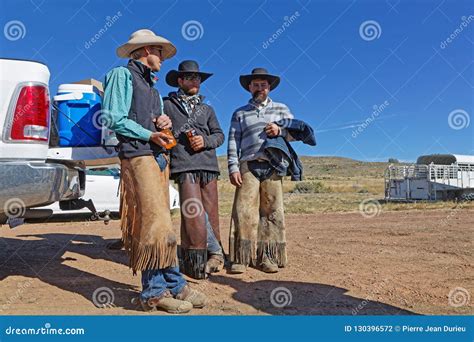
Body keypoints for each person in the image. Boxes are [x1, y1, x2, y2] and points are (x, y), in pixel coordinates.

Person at [102, 29, 207, 313]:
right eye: (158, 51)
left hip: (157, 157)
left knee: (162, 223)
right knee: (152, 223)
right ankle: (154, 293)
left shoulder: (154, 88)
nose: (162, 57)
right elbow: (113, 118)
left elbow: (153, 123)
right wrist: (149, 136)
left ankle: (174, 284)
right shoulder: (121, 76)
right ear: (144, 50)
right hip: (138, 155)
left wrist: (161, 123)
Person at [227, 68, 294, 274]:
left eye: (263, 85)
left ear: (269, 87)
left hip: (273, 165)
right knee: (243, 211)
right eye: (255, 85)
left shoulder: (281, 109)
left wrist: (280, 131)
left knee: (272, 211)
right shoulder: (239, 113)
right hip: (248, 164)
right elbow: (233, 141)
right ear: (249, 87)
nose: (259, 88)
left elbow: (294, 134)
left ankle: (268, 257)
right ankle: (241, 257)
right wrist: (233, 166)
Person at [163, 60, 225, 279]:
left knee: (211, 213)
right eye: (189, 77)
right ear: (180, 81)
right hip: (183, 164)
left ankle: (214, 259)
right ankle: (201, 259)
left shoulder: (207, 109)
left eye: (197, 77)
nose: (195, 81)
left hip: (208, 165)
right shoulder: (166, 104)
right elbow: (159, 128)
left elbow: (220, 135)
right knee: (193, 212)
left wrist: (205, 141)